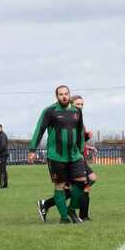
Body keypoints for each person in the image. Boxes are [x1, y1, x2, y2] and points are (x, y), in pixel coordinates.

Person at [28, 85, 87, 223]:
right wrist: (32, 149)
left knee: (81, 183)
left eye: (66, 93)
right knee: (59, 186)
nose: (64, 96)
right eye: (61, 94)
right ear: (57, 96)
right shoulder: (49, 111)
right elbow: (39, 130)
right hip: (56, 156)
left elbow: (80, 133)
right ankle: (64, 217)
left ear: (69, 94)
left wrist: (81, 149)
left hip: (74, 155)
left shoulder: (77, 112)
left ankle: (71, 210)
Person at [37, 96, 98, 221]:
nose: (80, 107)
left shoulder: (78, 118)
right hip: (69, 159)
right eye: (77, 104)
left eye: (82, 104)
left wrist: (87, 142)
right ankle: (76, 215)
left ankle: (48, 204)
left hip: (78, 157)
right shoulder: (65, 119)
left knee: (88, 181)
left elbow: (77, 140)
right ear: (70, 104)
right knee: (82, 186)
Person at [0, 124, 8, 189]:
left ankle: (1, 185)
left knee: (1, 170)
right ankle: (5, 184)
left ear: (1, 128)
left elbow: (3, 146)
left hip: (2, 155)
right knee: (3, 170)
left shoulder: (2, 136)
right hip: (1, 155)